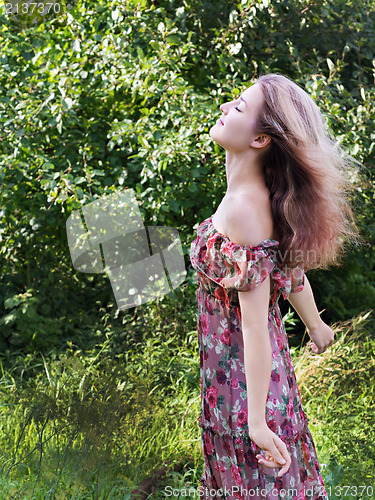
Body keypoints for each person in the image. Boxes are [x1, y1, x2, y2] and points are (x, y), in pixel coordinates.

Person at [189, 73, 361, 499]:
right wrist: (316, 325)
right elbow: (289, 267)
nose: (226, 108)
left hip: (242, 387)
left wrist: (256, 423)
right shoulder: (258, 196)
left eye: (239, 107)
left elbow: (253, 328)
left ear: (261, 140)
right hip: (243, 381)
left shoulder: (245, 208)